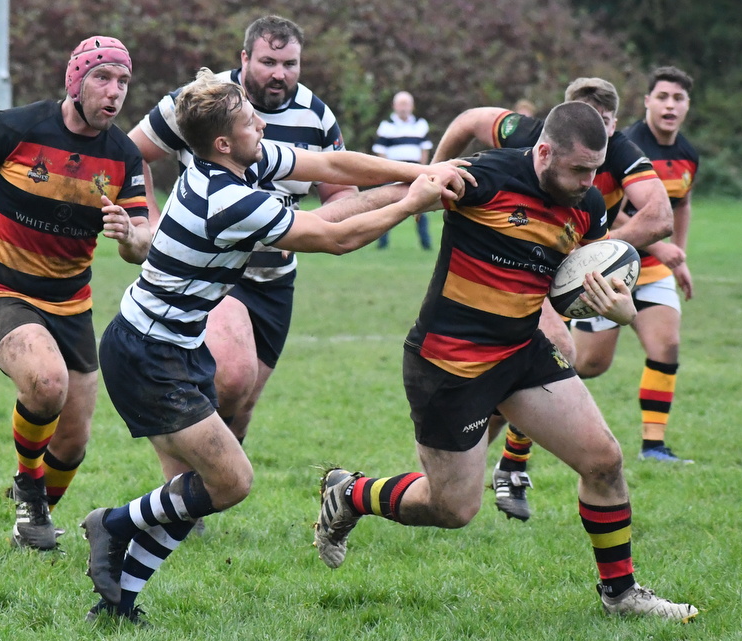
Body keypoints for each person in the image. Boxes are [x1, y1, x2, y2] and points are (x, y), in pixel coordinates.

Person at [80, 69, 468, 625]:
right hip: (147, 354)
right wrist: (413, 202)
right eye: (249, 121)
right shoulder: (227, 199)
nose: (261, 125)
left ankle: (117, 603)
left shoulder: (239, 162)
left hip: (173, 346)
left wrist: (422, 172)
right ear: (222, 142)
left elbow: (334, 166)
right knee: (230, 481)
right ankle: (113, 524)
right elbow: (335, 239)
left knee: (201, 485)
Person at [313, 101, 698, 622]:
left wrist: (620, 308)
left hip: (521, 353)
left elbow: (585, 275)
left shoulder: (587, 206)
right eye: (579, 169)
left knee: (604, 460)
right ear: (544, 152)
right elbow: (396, 193)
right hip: (450, 363)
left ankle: (621, 594)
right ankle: (351, 493)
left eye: (596, 169)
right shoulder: (487, 177)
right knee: (452, 508)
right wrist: (306, 225)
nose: (589, 182)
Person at [431, 77, 673, 520]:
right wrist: (434, 172)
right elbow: (469, 120)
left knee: (589, 367)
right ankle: (508, 465)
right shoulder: (524, 136)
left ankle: (499, 462)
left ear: (613, 125)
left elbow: (660, 216)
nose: (598, 132)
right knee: (561, 349)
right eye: (588, 120)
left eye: (605, 123)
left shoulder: (618, 151)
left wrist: (590, 266)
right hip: (500, 290)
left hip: (566, 265)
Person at [129, 16, 358, 451]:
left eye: (290, 64)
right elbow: (130, 153)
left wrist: (304, 228)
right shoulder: (202, 102)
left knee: (243, 403)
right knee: (231, 377)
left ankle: (208, 479)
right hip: (212, 271)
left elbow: (342, 189)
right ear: (245, 58)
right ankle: (189, 480)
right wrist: (150, 221)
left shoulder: (316, 115)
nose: (280, 74)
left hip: (275, 280)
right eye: (268, 62)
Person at [0, 36, 150, 550]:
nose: (114, 91)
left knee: (73, 440)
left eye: (123, 81)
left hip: (71, 304)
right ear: (75, 81)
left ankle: (32, 522)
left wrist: (130, 237)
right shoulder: (18, 127)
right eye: (102, 78)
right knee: (46, 382)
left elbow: (141, 243)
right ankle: (29, 491)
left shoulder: (124, 156)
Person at [571, 65, 698, 465]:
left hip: (654, 269)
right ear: (647, 102)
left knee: (667, 345)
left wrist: (678, 256)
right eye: (662, 97)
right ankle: (523, 406)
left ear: (687, 105)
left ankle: (653, 445)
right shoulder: (624, 146)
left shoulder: (687, 154)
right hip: (606, 266)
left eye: (678, 98)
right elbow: (614, 212)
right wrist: (659, 246)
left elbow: (681, 205)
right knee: (589, 363)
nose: (670, 106)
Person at [373, 90, 433, 249]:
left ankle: (426, 243)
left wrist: (422, 170)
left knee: (421, 207)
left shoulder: (420, 124)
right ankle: (382, 243)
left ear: (412, 106)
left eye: (406, 104)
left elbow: (425, 149)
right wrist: (387, 171)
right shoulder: (386, 126)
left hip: (415, 172)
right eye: (400, 104)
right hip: (393, 171)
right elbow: (380, 151)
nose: (403, 108)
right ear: (394, 106)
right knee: (386, 208)